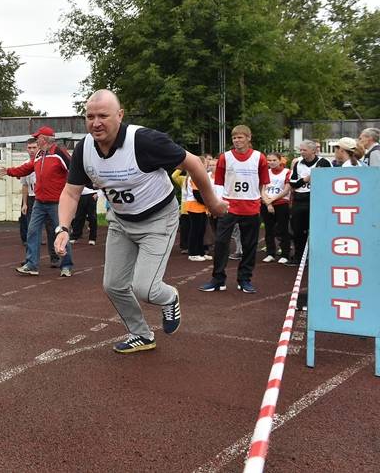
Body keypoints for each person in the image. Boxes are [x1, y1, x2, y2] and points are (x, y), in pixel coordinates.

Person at [55, 90, 227, 354]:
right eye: (90, 116)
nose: (96, 122)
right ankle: (142, 334)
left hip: (158, 220)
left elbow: (192, 163)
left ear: (120, 115)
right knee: (113, 285)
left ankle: (169, 297)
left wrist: (212, 202)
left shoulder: (144, 140)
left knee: (145, 288)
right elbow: (70, 192)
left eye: (103, 115)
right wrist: (63, 228)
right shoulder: (84, 150)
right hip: (121, 222)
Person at [200, 125, 269, 294]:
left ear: (248, 138)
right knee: (222, 243)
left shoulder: (259, 158)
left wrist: (260, 198)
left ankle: (244, 279)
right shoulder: (225, 157)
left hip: (251, 206)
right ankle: (218, 279)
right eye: (234, 138)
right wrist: (216, 204)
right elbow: (219, 183)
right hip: (229, 206)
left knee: (249, 245)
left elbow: (263, 182)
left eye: (240, 137)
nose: (237, 141)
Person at [0, 126, 74, 277]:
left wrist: (73, 193)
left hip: (57, 203)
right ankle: (32, 264)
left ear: (44, 139)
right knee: (32, 232)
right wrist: (9, 171)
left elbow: (73, 171)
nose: (35, 140)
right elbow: (26, 168)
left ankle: (66, 265)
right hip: (40, 202)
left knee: (61, 233)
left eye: (37, 137)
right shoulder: (39, 155)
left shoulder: (60, 153)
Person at [287, 139, 332, 266]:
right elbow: (293, 183)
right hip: (299, 199)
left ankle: (318, 257)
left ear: (313, 150)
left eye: (304, 150)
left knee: (317, 229)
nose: (301, 152)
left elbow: (330, 180)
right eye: (300, 150)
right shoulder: (298, 163)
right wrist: (307, 179)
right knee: (297, 230)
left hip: (317, 199)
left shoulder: (324, 162)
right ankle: (299, 257)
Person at [19, 137, 60, 267]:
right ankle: (30, 259)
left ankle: (55, 257)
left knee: (52, 229)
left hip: (49, 199)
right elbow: (25, 185)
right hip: (33, 199)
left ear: (39, 147)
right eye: (29, 148)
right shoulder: (26, 164)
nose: (31, 150)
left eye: (34, 148)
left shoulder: (48, 161)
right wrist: (24, 203)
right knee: (32, 231)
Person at [260, 152, 291, 264]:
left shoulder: (287, 172)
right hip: (266, 204)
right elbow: (262, 189)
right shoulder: (265, 172)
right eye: (269, 160)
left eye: (274, 160)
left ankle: (285, 254)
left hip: (281, 203)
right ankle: (270, 253)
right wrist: (268, 203)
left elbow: (286, 190)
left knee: (283, 229)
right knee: (268, 230)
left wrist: (271, 201)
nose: (271, 163)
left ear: (279, 160)